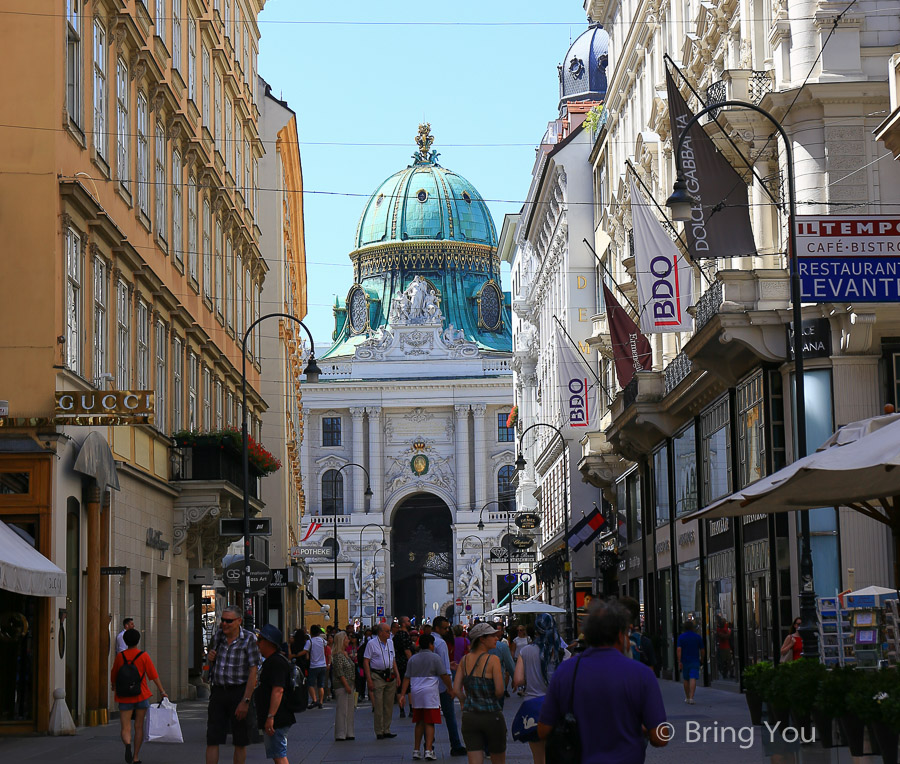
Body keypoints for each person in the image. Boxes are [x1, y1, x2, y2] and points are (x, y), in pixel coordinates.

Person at [537, 600, 668, 764]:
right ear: (620, 636)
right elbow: (660, 737)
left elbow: (542, 730)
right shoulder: (641, 675)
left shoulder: (565, 672)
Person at [205, 606, 261, 764]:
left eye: (228, 621)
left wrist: (246, 701)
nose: (224, 624)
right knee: (212, 739)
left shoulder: (249, 639)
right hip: (218, 692)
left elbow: (253, 672)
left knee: (240, 740)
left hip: (239, 692)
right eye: (222, 620)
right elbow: (206, 674)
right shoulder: (218, 637)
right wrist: (210, 660)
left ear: (239, 621)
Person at [511, 614, 568, 764]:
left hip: (533, 708)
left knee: (539, 758)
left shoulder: (526, 651)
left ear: (535, 631)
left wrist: (531, 676)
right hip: (558, 709)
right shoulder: (563, 653)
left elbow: (518, 680)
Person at [453, 622, 507, 764]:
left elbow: (456, 689)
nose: (496, 638)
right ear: (482, 639)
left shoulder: (464, 660)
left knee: (475, 759)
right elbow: (500, 690)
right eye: (492, 636)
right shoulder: (493, 660)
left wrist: (465, 701)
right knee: (498, 758)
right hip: (491, 714)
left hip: (470, 716)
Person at [110, 628, 167, 764]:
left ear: (125, 641)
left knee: (125, 727)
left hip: (124, 696)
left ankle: (127, 744)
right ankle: (135, 757)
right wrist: (162, 691)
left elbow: (114, 674)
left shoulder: (120, 657)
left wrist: (114, 686)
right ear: (138, 641)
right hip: (141, 695)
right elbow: (153, 676)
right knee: (139, 727)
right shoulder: (143, 656)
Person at [400, 633, 454, 760]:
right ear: (431, 644)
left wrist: (402, 694)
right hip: (430, 692)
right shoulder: (435, 658)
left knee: (419, 721)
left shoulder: (413, 658)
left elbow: (407, 677)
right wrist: (450, 689)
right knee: (429, 722)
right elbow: (444, 675)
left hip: (416, 692)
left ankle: (416, 749)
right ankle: (429, 750)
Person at [254, 625, 296, 764]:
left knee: (279, 754)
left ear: (269, 642)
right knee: (277, 753)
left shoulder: (276, 662)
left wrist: (270, 717)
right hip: (276, 716)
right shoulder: (272, 661)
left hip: (277, 717)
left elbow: (278, 690)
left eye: (260, 639)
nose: (257, 643)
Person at [432, 616, 467, 756]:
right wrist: (450, 688)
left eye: (448, 627)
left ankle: (428, 746)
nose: (447, 630)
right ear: (437, 628)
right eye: (445, 628)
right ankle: (456, 745)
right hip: (442, 685)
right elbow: (444, 669)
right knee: (450, 716)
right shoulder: (441, 643)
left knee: (429, 717)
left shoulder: (430, 641)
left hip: (430, 684)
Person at [364, 622, 401, 739]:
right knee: (379, 704)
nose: (389, 633)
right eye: (387, 631)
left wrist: (398, 675)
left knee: (389, 704)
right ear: (380, 632)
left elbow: (393, 659)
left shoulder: (390, 642)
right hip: (377, 675)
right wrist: (369, 679)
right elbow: (366, 661)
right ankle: (379, 730)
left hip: (390, 675)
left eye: (389, 631)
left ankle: (387, 728)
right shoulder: (371, 644)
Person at [331, 630, 357, 741]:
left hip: (350, 684)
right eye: (346, 639)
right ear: (341, 641)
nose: (348, 640)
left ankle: (349, 732)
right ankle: (340, 733)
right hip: (342, 686)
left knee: (350, 709)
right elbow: (339, 672)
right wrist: (346, 685)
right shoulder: (338, 656)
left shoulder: (345, 654)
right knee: (342, 709)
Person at [677, 620, 705, 705]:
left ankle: (687, 697)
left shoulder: (681, 637)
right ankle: (692, 697)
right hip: (695, 660)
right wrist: (702, 659)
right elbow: (702, 650)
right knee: (693, 678)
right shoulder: (697, 637)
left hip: (685, 661)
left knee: (686, 679)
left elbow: (679, 650)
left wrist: (679, 661)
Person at [488, 622, 515, 703]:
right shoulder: (502, 646)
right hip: (498, 685)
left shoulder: (478, 646)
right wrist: (515, 679)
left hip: (481, 687)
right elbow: (510, 664)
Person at [394, 616, 415, 718]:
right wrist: (412, 662)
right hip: (406, 663)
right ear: (403, 624)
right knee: (409, 687)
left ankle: (402, 710)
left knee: (399, 687)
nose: (409, 622)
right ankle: (411, 709)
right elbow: (407, 651)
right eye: (407, 621)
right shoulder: (405, 635)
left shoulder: (396, 635)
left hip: (397, 663)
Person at [306, 625, 328, 708]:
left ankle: (315, 700)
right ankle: (321, 702)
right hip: (323, 665)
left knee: (310, 684)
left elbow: (305, 651)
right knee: (320, 685)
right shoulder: (322, 640)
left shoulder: (310, 641)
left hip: (314, 665)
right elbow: (326, 644)